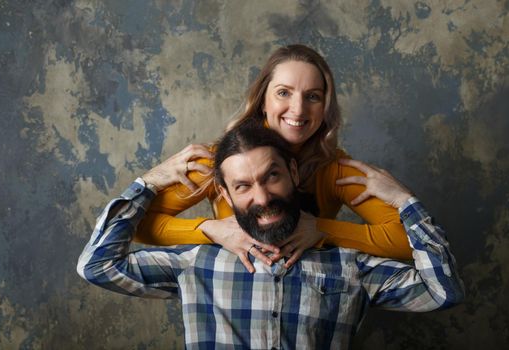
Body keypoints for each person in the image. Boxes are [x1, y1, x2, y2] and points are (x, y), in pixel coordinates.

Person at [77, 123, 465, 349]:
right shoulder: (196, 264)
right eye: (243, 186)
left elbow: (443, 291)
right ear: (225, 195)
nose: (261, 197)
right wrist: (148, 183)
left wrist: (404, 201)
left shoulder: (349, 266)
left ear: (294, 175)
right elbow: (97, 265)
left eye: (272, 177)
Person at [133, 44, 413, 273]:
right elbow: (134, 225)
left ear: (325, 107)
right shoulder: (221, 161)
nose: (298, 108)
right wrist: (210, 229)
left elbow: (411, 243)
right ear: (262, 101)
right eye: (283, 93)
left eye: (313, 96)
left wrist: (321, 230)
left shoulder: (334, 170)